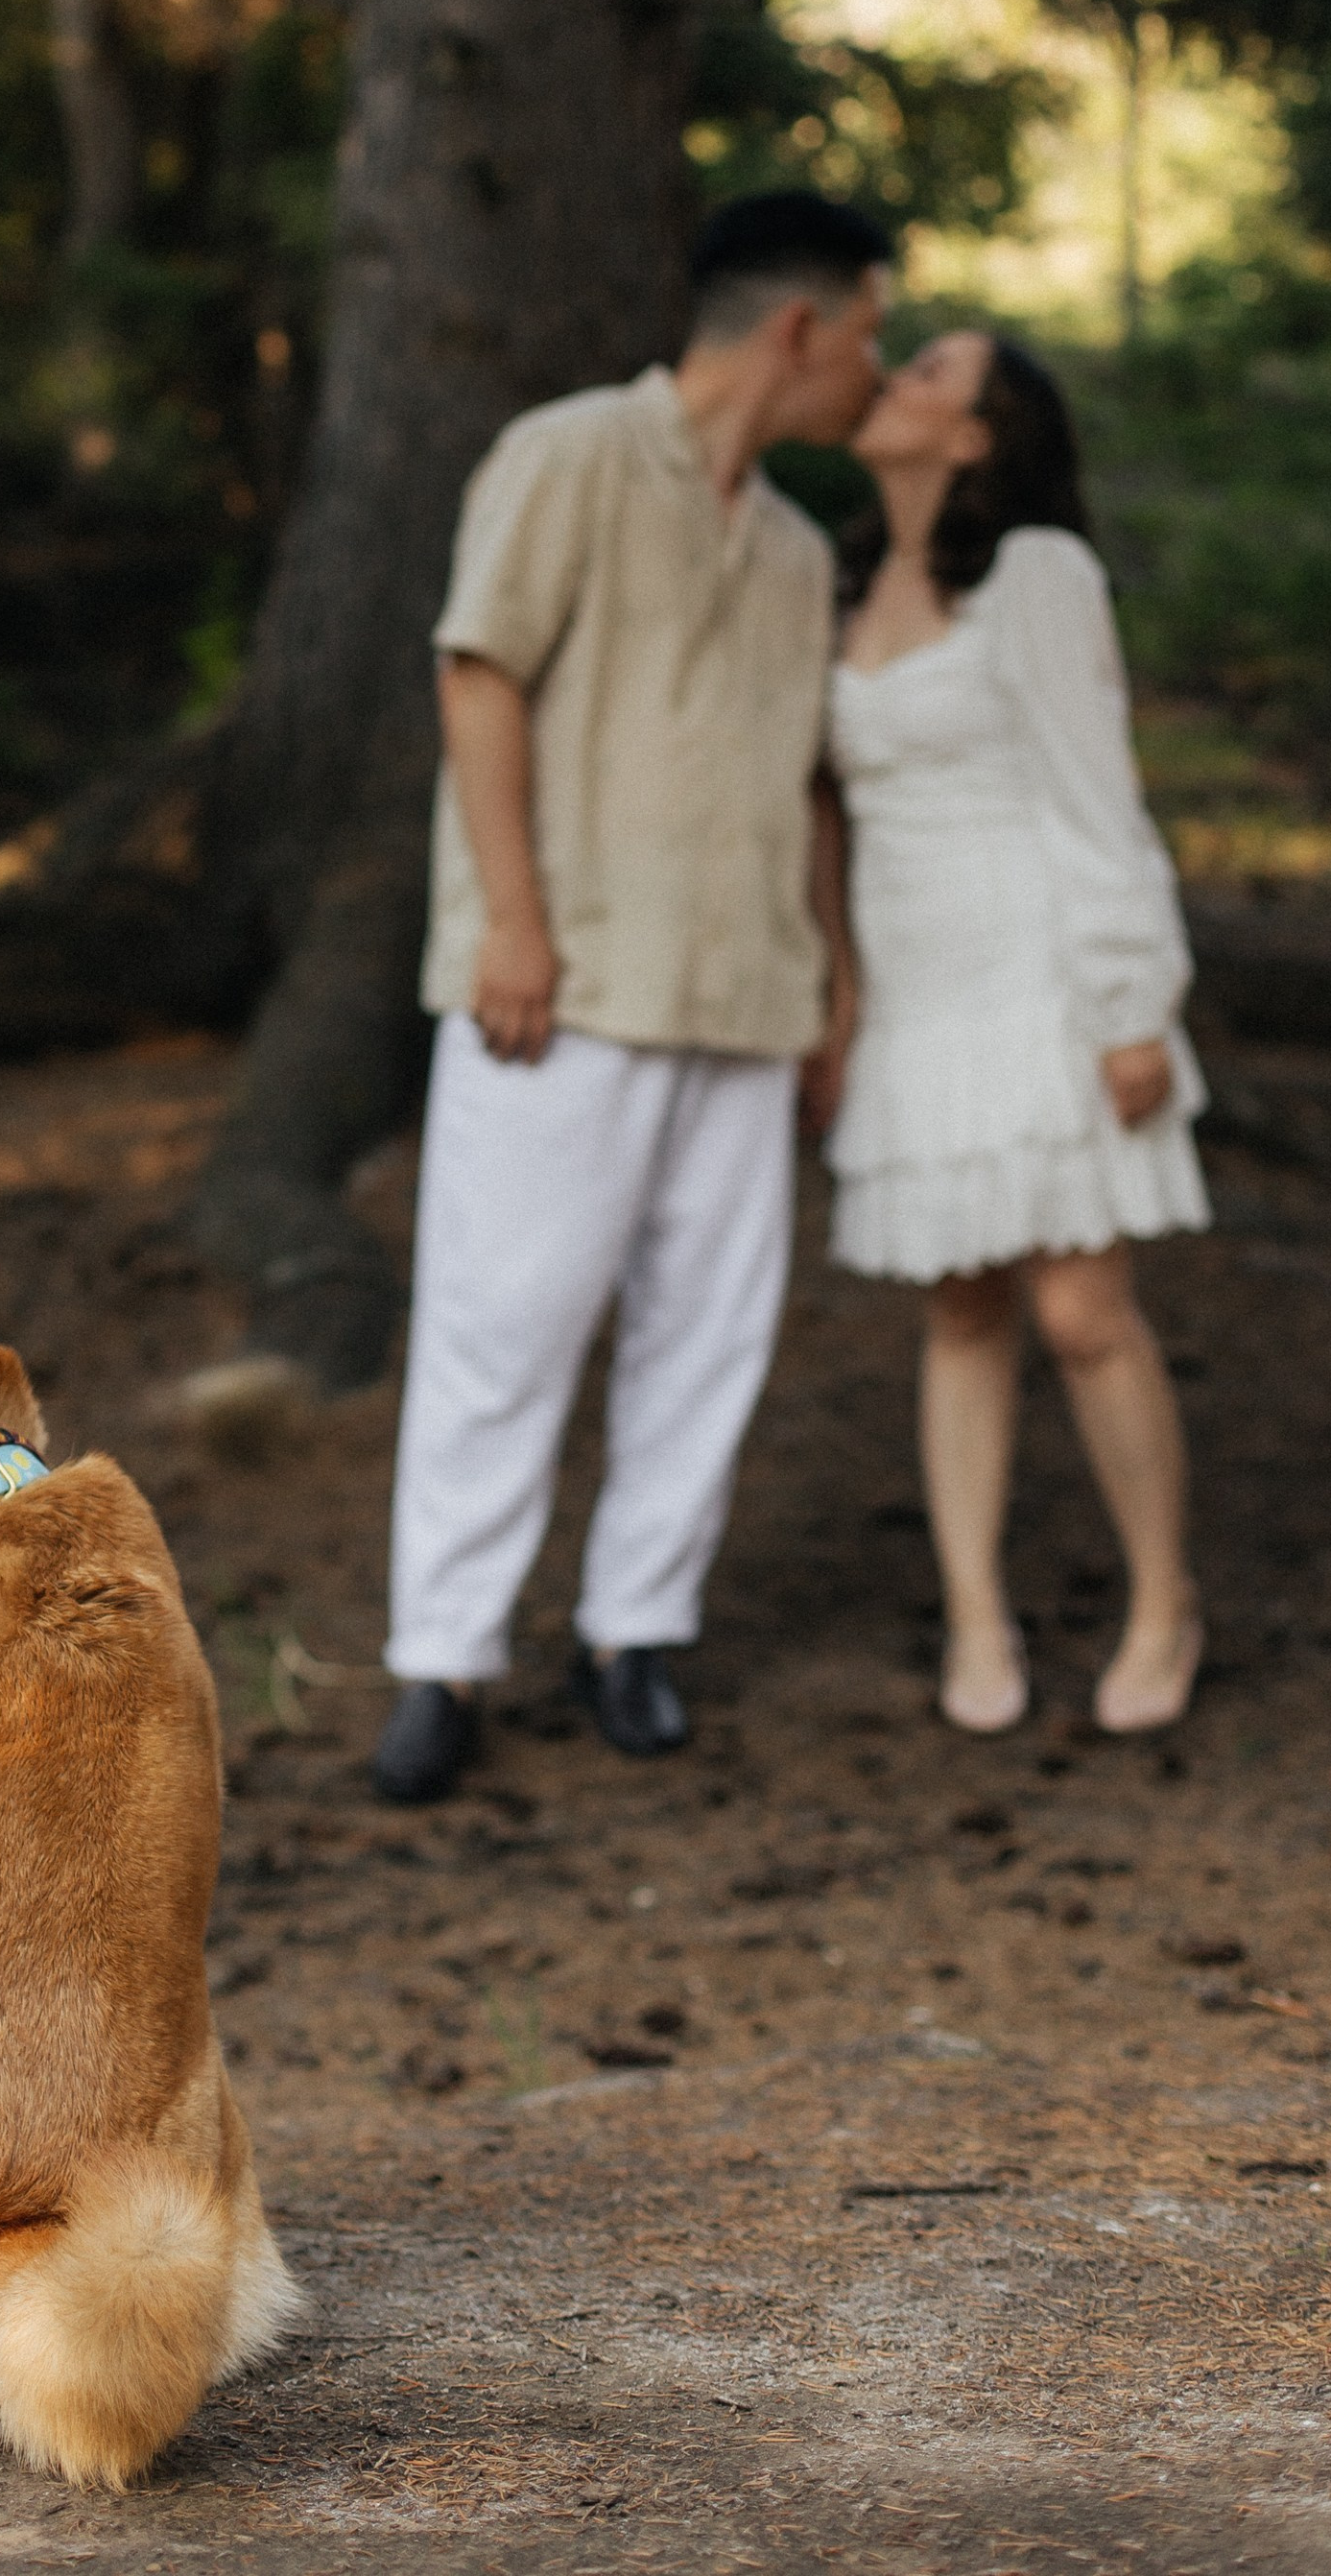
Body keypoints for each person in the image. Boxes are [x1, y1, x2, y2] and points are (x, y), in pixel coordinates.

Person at [371, 191, 893, 1807]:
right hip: (566, 987)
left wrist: (835, 979)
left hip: (743, 994)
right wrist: (513, 922)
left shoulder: (801, 551)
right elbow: (480, 675)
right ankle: (444, 1662)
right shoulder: (572, 455)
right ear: (795, 331)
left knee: (709, 1335)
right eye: (871, 340)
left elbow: (813, 786)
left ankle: (634, 1635)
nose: (875, 379)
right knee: (499, 1326)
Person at [823, 327, 1208, 1736]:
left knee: (1082, 1310)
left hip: (1045, 972)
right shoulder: (843, 577)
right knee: (963, 1306)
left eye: (932, 370)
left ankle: (1164, 1600)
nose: (898, 375)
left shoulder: (1040, 576)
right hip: (919, 992)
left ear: (978, 437)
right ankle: (978, 1614)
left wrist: (1128, 1001)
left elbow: (1097, 792)